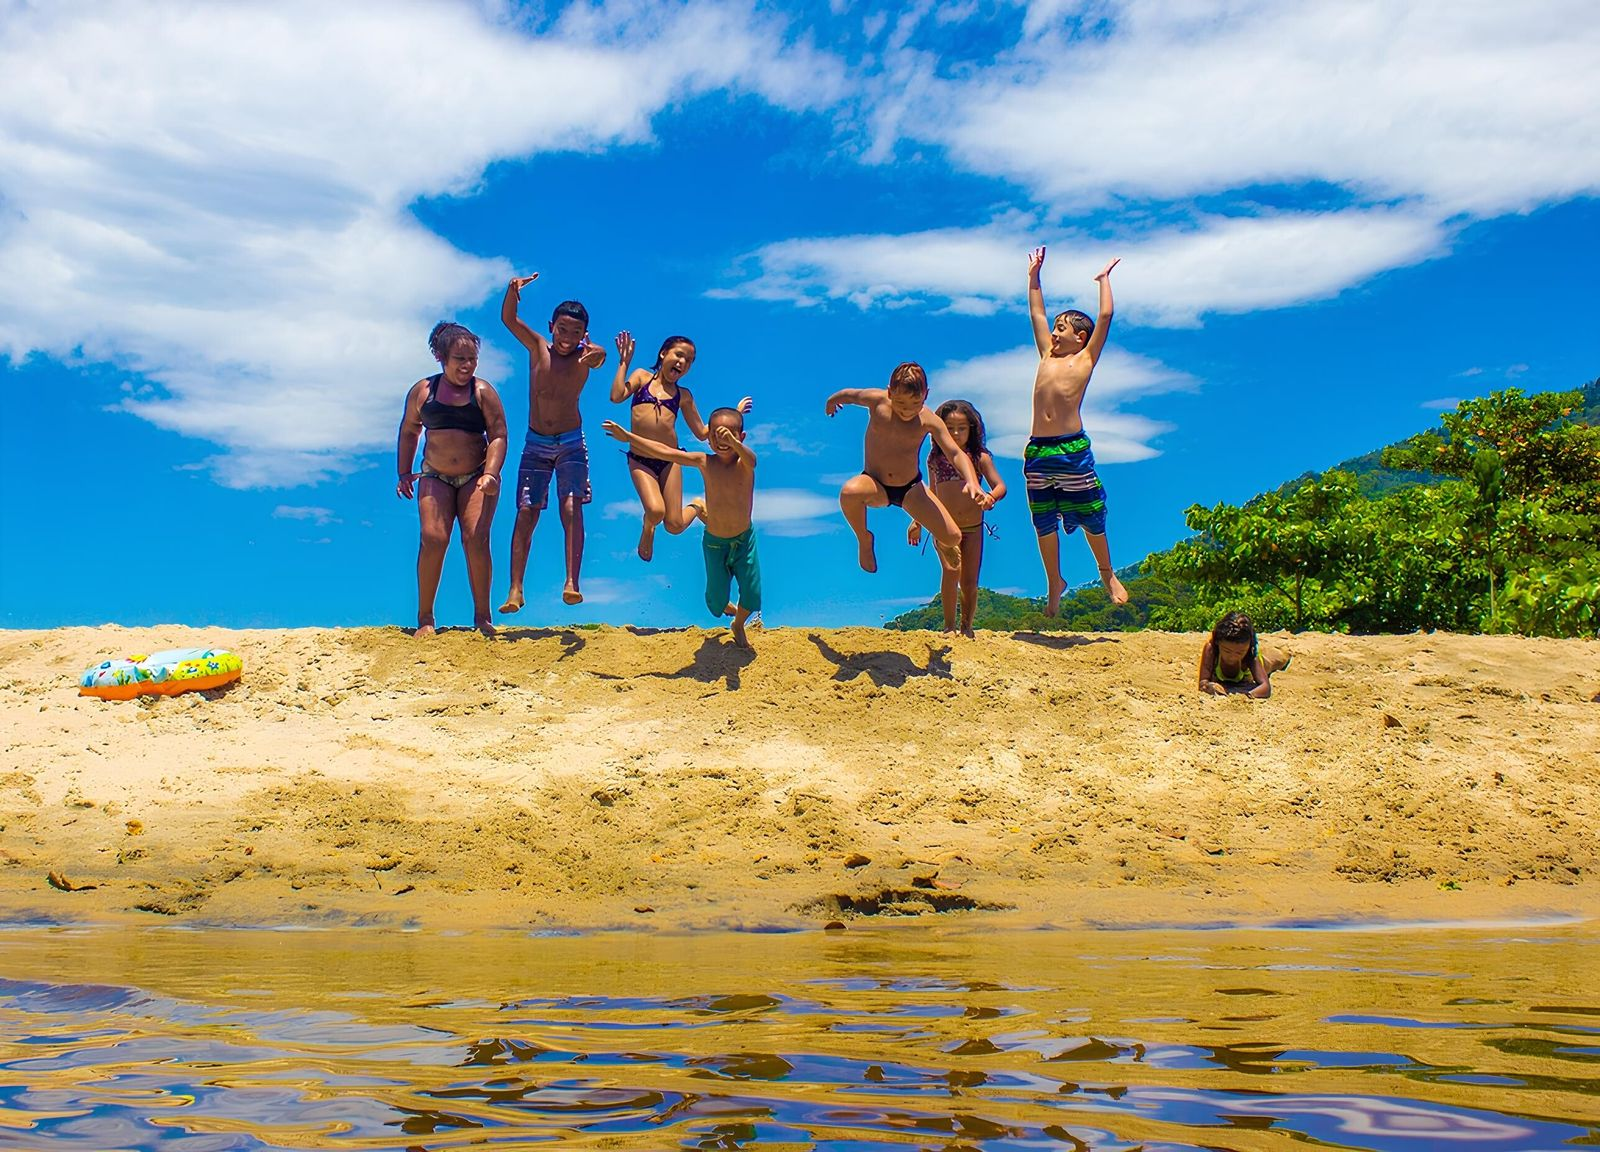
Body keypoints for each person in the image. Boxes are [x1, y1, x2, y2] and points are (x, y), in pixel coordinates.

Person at [602, 408, 762, 649]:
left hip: (743, 540)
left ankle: (738, 624)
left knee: (751, 593)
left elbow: (752, 459)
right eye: (718, 436)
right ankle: (698, 506)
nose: (723, 441)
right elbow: (666, 452)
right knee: (716, 604)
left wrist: (733, 441)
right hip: (715, 542)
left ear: (742, 437)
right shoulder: (704, 462)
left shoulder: (745, 465)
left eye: (730, 435)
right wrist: (629, 438)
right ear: (709, 439)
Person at [1024, 245, 1127, 615]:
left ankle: (1106, 572)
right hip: (1038, 450)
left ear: (1080, 338)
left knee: (1090, 509)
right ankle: (1055, 581)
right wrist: (1034, 276)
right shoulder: (1046, 356)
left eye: (1061, 328)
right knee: (1043, 518)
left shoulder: (1085, 359)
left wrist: (1103, 280)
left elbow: (1106, 315)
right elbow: (1036, 310)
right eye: (1054, 328)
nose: (1053, 332)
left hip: (1071, 449)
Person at [497, 274, 606, 610]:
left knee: (572, 508)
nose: (567, 338)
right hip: (536, 444)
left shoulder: (585, 355)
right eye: (562, 330)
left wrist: (595, 352)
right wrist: (512, 291)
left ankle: (572, 581)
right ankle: (515, 589)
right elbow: (509, 319)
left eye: (576, 333)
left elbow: (599, 356)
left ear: (583, 335)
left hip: (571, 442)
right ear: (551, 327)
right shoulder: (537, 348)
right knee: (526, 512)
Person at [395, 322, 509, 637]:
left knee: (475, 538)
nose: (467, 365)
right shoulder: (423, 392)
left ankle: (483, 617)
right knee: (433, 539)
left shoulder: (483, 392)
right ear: (441, 357)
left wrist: (491, 473)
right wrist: (404, 472)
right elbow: (409, 431)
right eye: (460, 359)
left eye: (472, 359)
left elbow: (498, 434)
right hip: (435, 475)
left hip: (477, 476)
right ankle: (426, 618)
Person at [827, 362, 989, 576]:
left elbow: (955, 453)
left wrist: (972, 481)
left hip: (910, 489)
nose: (907, 409)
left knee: (953, 537)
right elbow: (851, 394)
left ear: (926, 395)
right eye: (901, 402)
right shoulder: (876, 401)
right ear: (889, 392)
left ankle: (945, 543)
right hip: (875, 483)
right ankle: (864, 538)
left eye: (915, 403)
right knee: (849, 493)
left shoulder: (929, 420)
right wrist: (833, 400)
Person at [610, 331, 752, 562]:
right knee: (656, 511)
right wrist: (624, 363)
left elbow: (702, 433)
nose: (682, 362)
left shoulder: (683, 396)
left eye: (689, 360)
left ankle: (696, 506)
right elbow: (616, 396)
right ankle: (648, 527)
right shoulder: (642, 378)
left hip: (671, 460)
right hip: (640, 459)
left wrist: (735, 414)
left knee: (675, 525)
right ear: (663, 353)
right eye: (679, 355)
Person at [907, 399, 1007, 636]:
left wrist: (991, 497)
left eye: (961, 428)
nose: (955, 433)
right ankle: (949, 626)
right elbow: (931, 493)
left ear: (972, 429)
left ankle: (967, 626)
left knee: (970, 582)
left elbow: (1000, 485)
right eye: (950, 428)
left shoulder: (979, 457)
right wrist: (917, 521)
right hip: (944, 526)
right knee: (951, 572)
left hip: (973, 527)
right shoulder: (935, 460)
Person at [1197, 611, 1291, 698]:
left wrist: (1247, 695)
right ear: (1218, 643)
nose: (1232, 657)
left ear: (1248, 647)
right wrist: (1210, 687)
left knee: (1277, 660)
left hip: (1261, 664)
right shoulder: (1211, 648)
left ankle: (1285, 650)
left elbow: (1265, 687)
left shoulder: (1250, 655)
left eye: (1239, 652)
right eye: (1227, 651)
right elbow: (1203, 682)